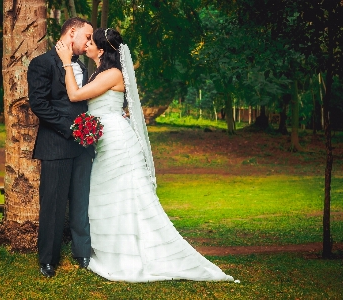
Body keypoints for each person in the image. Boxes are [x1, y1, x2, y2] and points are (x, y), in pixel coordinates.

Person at [55, 28, 236, 282]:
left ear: (102, 50)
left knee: (128, 197)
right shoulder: (99, 72)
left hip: (117, 143)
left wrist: (65, 63)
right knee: (106, 195)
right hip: (104, 140)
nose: (86, 46)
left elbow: (75, 95)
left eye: (91, 43)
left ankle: (134, 256)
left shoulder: (113, 73)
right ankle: (115, 252)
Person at [27, 17, 95, 278]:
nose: (89, 42)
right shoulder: (41, 63)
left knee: (80, 201)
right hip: (56, 145)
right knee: (53, 205)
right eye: (87, 37)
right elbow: (39, 105)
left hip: (83, 147)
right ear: (73, 33)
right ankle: (48, 260)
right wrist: (70, 130)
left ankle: (83, 254)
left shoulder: (82, 66)